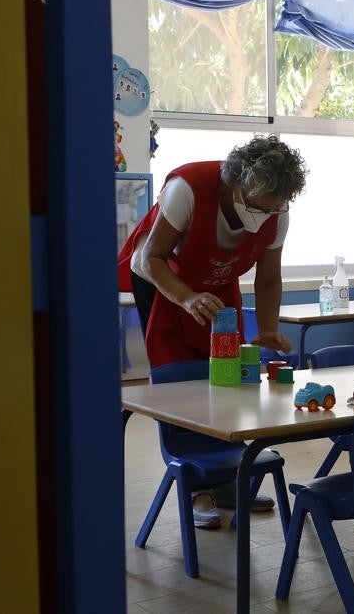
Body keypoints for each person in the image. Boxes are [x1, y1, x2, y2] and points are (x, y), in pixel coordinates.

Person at [118, 135, 307, 529]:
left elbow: (268, 278)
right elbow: (149, 258)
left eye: (274, 208)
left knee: (226, 374)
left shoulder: (276, 212)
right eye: (258, 207)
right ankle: (194, 486)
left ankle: (224, 481)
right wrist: (186, 298)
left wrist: (268, 328)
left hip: (217, 282)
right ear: (236, 185)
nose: (265, 216)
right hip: (162, 279)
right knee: (178, 377)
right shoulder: (187, 189)